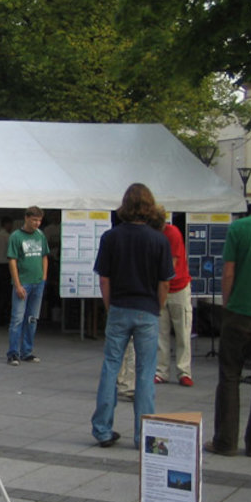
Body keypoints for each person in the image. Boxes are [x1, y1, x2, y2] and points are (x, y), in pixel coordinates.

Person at [91, 183, 172, 449]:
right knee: (145, 373)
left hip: (119, 307)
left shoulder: (111, 237)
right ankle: (143, 435)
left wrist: (109, 305)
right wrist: (157, 308)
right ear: (149, 207)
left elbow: (105, 278)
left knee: (111, 367)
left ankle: (103, 429)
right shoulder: (159, 239)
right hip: (147, 309)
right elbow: (164, 283)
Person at [206, 179, 251, 458]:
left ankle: (226, 441)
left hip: (240, 310)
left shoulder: (240, 228)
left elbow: (228, 271)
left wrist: (227, 302)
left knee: (230, 375)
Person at [6, 207, 49, 366]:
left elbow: (44, 256)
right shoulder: (16, 237)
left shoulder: (40, 235)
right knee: (17, 318)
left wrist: (43, 277)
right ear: (26, 218)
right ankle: (13, 352)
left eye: (39, 220)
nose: (37, 223)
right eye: (34, 220)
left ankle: (27, 351)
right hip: (23, 282)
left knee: (32, 318)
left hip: (38, 282)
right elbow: (12, 261)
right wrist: (17, 284)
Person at [155, 217, 194, 387]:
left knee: (182, 332)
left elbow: (171, 266)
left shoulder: (172, 234)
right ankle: (161, 371)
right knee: (160, 333)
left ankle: (184, 371)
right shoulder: (155, 234)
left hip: (178, 287)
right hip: (161, 287)